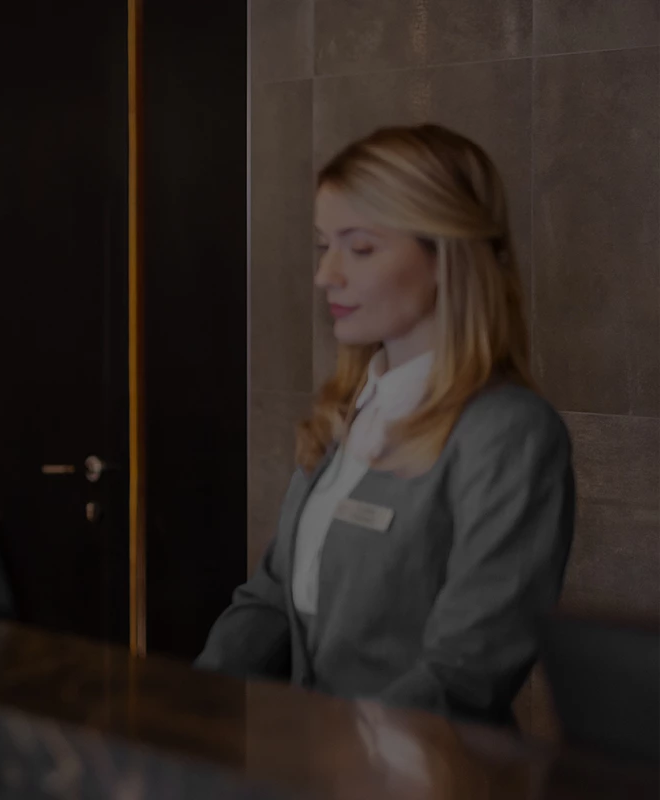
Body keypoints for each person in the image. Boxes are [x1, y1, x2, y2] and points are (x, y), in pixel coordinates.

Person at [196, 124, 574, 726]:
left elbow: (466, 670)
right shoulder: (346, 409)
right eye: (325, 246)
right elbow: (269, 599)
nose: (327, 275)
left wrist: (345, 762)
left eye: (361, 248)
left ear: (446, 257)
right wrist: (190, 710)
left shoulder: (509, 433)